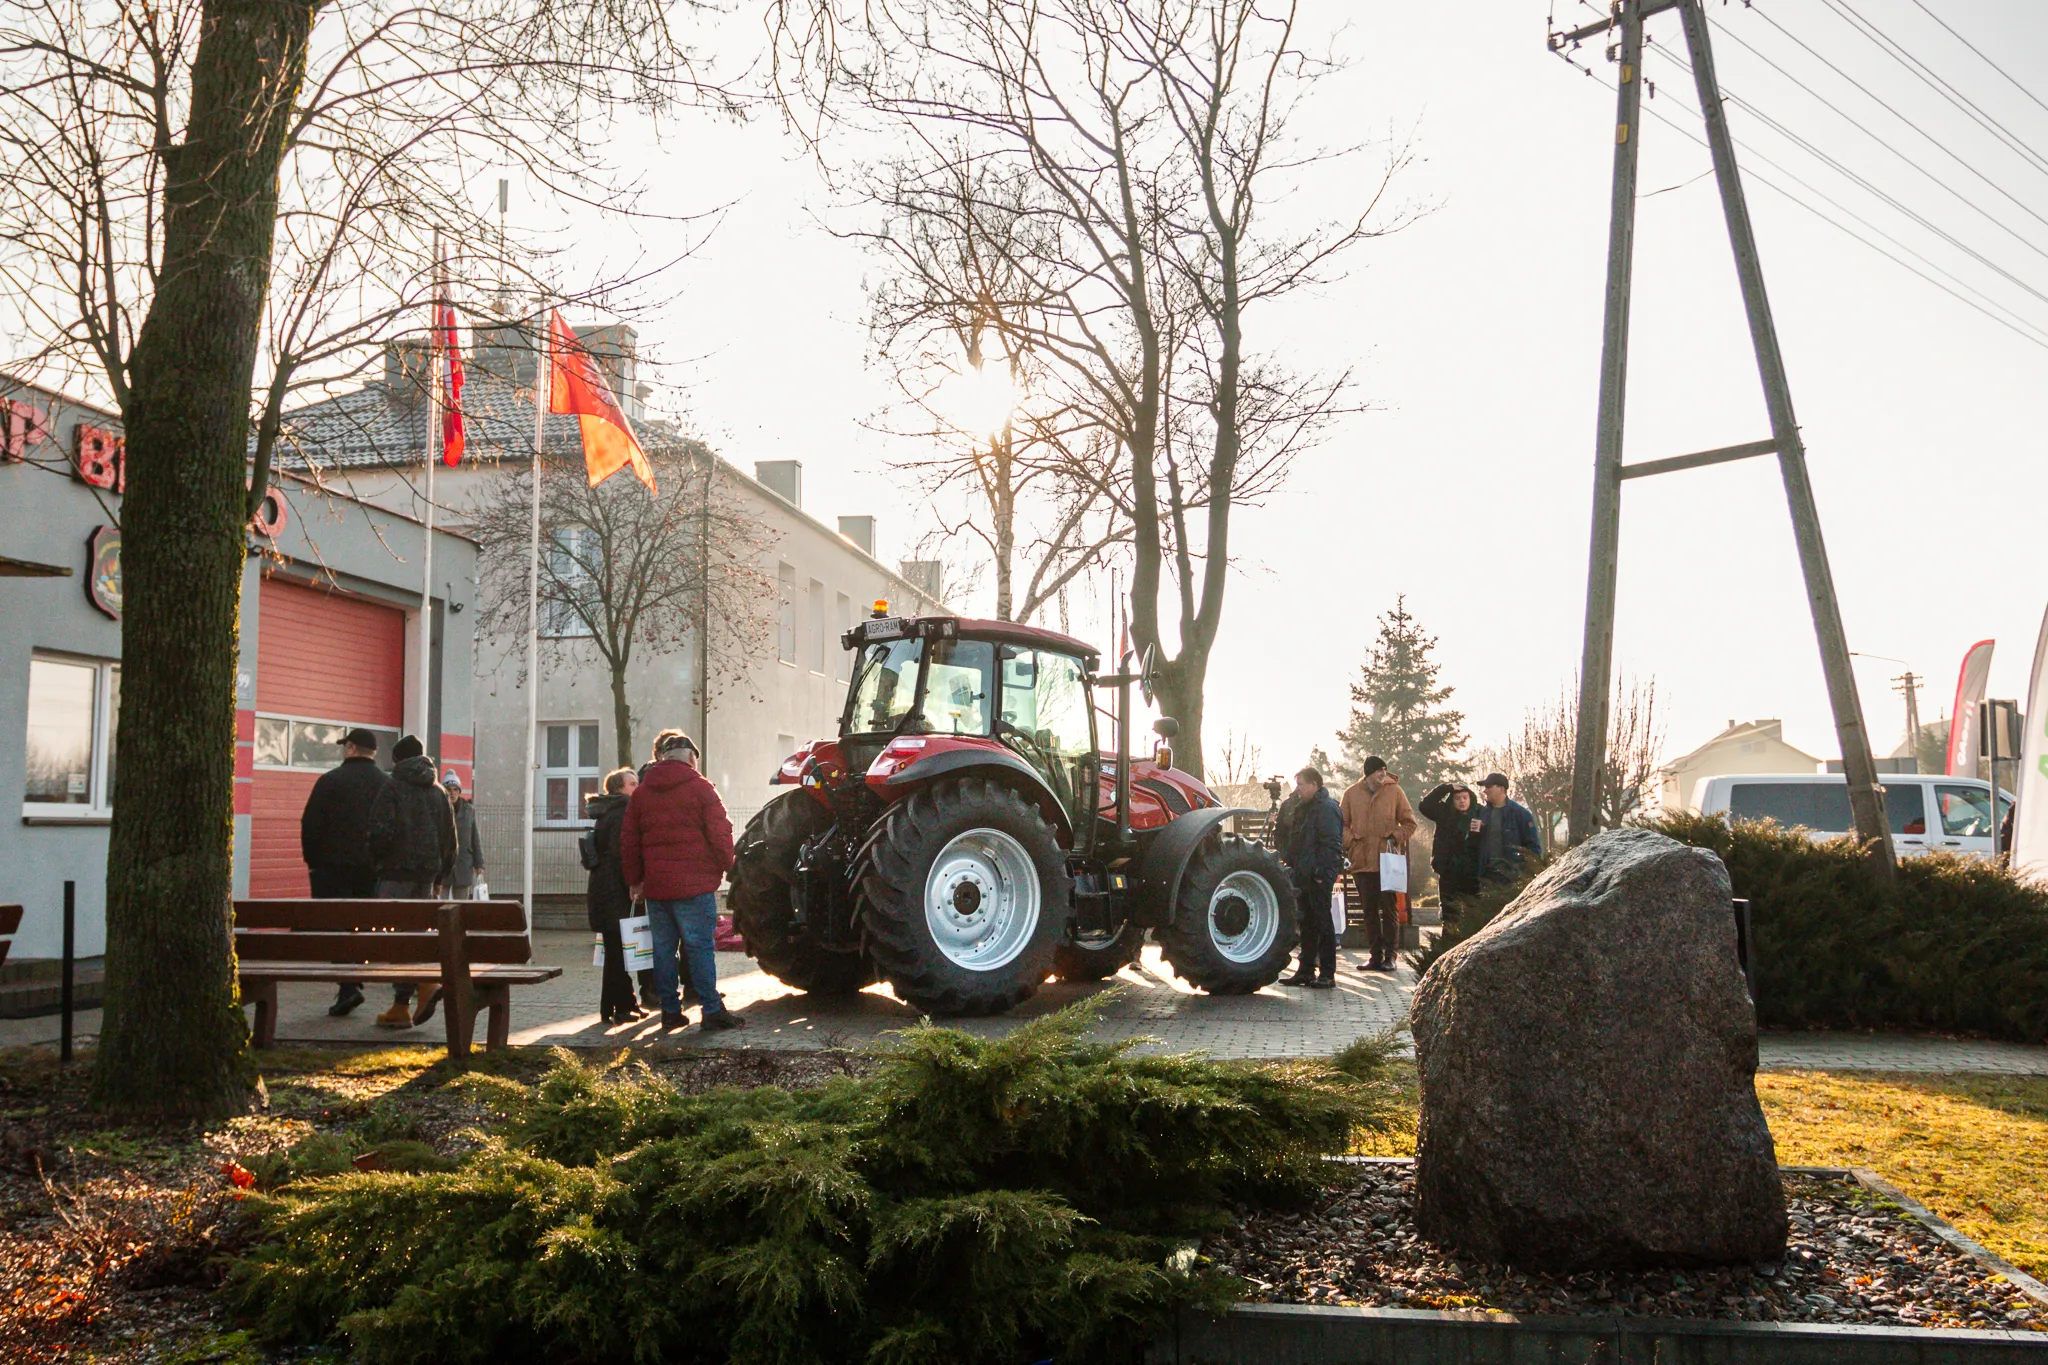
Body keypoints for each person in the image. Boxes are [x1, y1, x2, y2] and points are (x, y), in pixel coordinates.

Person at [622, 729, 742, 1032]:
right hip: (694, 886)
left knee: (663, 950)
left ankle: (670, 1012)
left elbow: (629, 841)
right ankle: (711, 1010)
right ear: (691, 758)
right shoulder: (701, 788)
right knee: (699, 947)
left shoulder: (642, 793)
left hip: (657, 888)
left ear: (662, 757)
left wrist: (636, 880)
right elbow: (720, 833)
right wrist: (729, 865)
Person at [365, 733, 457, 1028]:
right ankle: (404, 1001)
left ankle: (417, 989)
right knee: (415, 934)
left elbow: (380, 832)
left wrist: (378, 862)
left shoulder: (392, 788)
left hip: (395, 874)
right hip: (427, 876)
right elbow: (449, 839)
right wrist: (441, 874)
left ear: (397, 761)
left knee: (395, 940)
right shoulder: (438, 792)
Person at [299, 727, 388, 1017]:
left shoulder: (329, 781)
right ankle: (351, 982)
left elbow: (310, 824)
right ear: (373, 752)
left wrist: (313, 861)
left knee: (336, 926)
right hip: (371, 871)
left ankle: (348, 986)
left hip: (331, 869)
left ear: (351, 748)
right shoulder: (385, 785)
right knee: (361, 925)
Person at [1340, 756, 1416, 973]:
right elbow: (1341, 823)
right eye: (1378, 771)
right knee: (1369, 911)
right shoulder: (1351, 793)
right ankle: (1374, 956)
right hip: (1361, 860)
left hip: (1387, 860)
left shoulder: (1395, 792)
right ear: (1368, 773)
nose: (1383, 774)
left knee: (1389, 910)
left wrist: (1395, 835)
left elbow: (1410, 823)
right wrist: (1351, 841)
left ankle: (1390, 956)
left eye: (1384, 770)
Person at [586, 767, 646, 1023]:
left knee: (614, 953)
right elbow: (623, 855)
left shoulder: (607, 812)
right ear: (619, 789)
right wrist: (634, 884)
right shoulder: (623, 813)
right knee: (618, 954)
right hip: (616, 894)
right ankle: (620, 1009)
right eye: (632, 784)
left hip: (604, 891)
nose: (637, 787)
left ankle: (614, 1006)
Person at [1279, 767, 1344, 988]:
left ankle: (1327, 973)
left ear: (1314, 785)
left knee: (1322, 922)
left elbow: (1332, 845)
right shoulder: (1303, 808)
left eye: (1301, 785)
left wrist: (1320, 873)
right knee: (1306, 924)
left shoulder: (1327, 809)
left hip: (1316, 877)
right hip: (1302, 875)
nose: (1297, 790)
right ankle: (1305, 970)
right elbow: (1296, 840)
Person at [1418, 780, 1483, 930]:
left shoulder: (1480, 813)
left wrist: (1482, 829)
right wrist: (1446, 788)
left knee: (1473, 913)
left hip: (1473, 872)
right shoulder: (1444, 813)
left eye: (1465, 798)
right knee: (1449, 914)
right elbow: (1425, 806)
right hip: (1449, 870)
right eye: (1457, 798)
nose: (1462, 801)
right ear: (1452, 800)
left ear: (1470, 798)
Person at [1475, 772, 1544, 882]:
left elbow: (1533, 848)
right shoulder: (1481, 814)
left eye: (1488, 787)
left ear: (1501, 789)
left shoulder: (1521, 814)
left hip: (1512, 879)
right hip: (1486, 878)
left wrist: (1525, 875)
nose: (1485, 790)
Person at [443, 771, 484, 898]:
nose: (452, 792)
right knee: (439, 903)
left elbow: (474, 838)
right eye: (449, 789)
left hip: (463, 864)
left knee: (461, 905)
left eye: (455, 789)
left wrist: (479, 863)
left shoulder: (468, 810)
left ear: (459, 791)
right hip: (443, 865)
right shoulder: (438, 808)